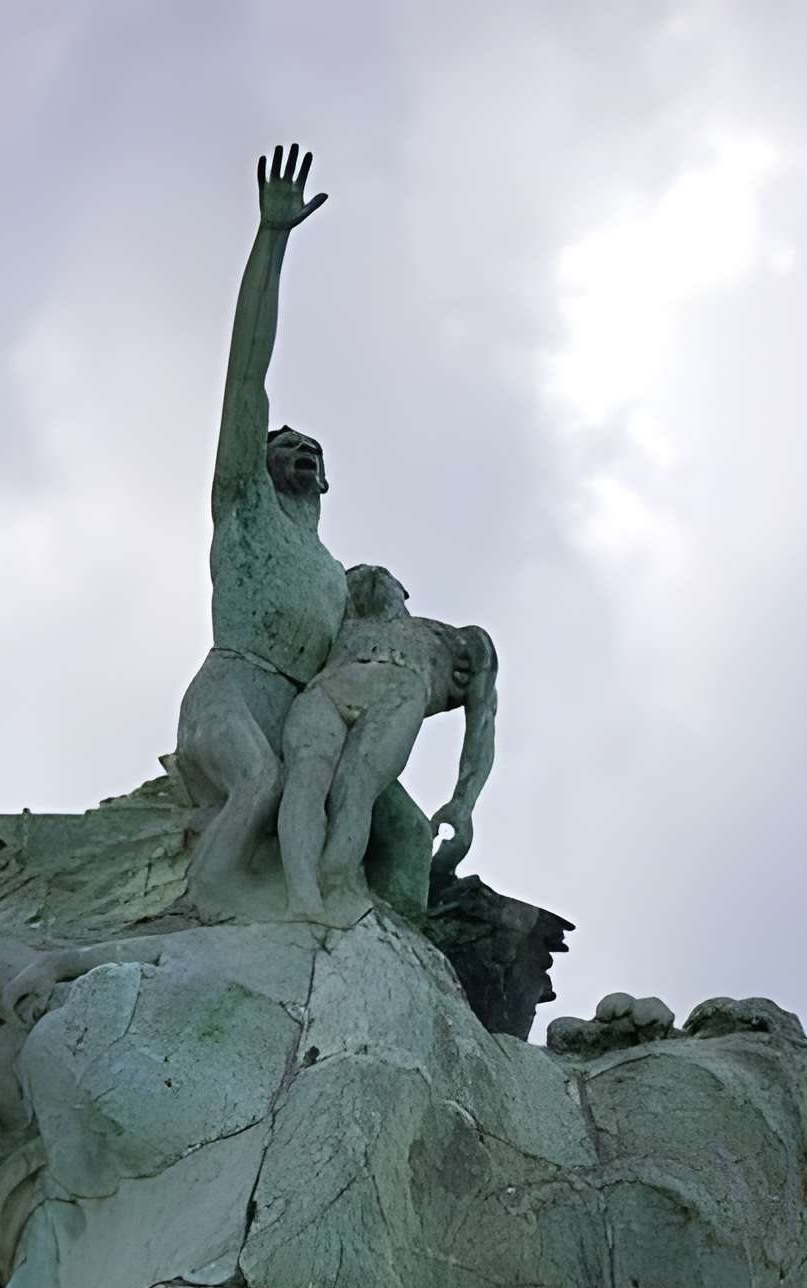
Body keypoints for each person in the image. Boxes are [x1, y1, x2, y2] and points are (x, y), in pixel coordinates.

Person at [175, 145, 349, 914]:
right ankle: (204, 909)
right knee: (260, 782)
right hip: (232, 696)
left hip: (301, 718)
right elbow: (247, 370)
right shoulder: (243, 505)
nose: (301, 450)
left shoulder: (337, 577)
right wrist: (272, 240)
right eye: (286, 443)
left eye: (313, 449)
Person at [277, 564, 497, 923]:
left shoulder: (458, 643)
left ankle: (329, 885)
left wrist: (463, 802)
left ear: (403, 591)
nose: (367, 575)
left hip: (397, 691)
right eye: (354, 578)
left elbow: (483, 723)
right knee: (305, 779)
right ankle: (302, 898)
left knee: (354, 785)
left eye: (382, 575)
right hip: (326, 689)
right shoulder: (335, 628)